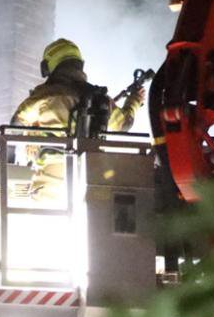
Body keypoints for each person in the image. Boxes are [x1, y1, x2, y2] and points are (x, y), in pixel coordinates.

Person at [9, 39, 146, 203]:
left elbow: (15, 126)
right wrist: (134, 101)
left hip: (50, 184)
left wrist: (31, 132)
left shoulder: (45, 95)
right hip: (92, 182)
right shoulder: (100, 98)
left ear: (51, 65)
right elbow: (124, 124)